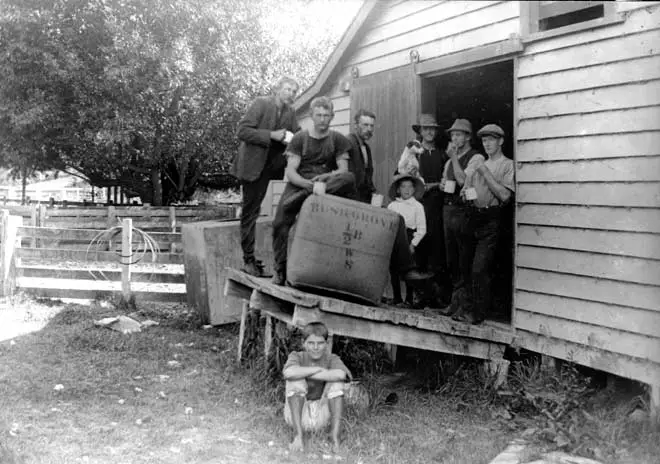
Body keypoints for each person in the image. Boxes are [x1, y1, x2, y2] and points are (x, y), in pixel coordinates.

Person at [272, 97, 431, 287]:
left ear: (332, 117)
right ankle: (280, 270)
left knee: (396, 219)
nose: (322, 119)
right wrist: (308, 185)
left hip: (328, 185)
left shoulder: (344, 141)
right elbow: (290, 171)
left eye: (371, 125)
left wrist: (374, 196)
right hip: (303, 185)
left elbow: (346, 172)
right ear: (312, 116)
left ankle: (406, 269)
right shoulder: (306, 138)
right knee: (280, 222)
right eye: (365, 125)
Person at [231, 76, 300, 277]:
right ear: (277, 89)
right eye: (287, 89)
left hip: (271, 169)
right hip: (252, 167)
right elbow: (242, 131)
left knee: (260, 212)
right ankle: (248, 260)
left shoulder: (290, 112)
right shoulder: (262, 103)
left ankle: (259, 261)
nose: (290, 94)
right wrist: (271, 135)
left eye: (294, 91)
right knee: (250, 212)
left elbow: (297, 133)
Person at [452, 124, 514, 324]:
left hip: (492, 219)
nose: (487, 144)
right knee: (466, 265)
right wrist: (466, 194)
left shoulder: (507, 165)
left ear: (501, 141)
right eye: (484, 140)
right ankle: (466, 308)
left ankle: (478, 314)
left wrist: (484, 171)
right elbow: (467, 187)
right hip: (473, 217)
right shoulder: (478, 162)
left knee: (480, 268)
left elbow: (505, 196)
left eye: (491, 140)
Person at [283, 322, 351, 452]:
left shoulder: (331, 358)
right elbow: (288, 373)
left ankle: (334, 436)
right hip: (298, 414)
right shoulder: (296, 356)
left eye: (320, 343)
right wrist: (317, 369)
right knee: (294, 380)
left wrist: (308, 373)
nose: (315, 347)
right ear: (303, 343)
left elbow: (341, 374)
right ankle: (298, 436)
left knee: (337, 382)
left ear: (326, 344)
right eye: (311, 343)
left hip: (321, 414)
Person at [438, 118, 482, 318]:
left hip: (463, 211)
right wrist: (442, 185)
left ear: (467, 137)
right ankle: (455, 304)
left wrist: (455, 158)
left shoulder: (475, 158)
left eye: (458, 134)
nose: (454, 138)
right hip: (448, 210)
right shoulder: (449, 160)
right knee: (451, 260)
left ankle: (466, 306)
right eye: (452, 135)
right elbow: (445, 181)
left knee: (465, 259)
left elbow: (464, 180)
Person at [412, 114, 451, 306]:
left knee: (437, 250)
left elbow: (447, 180)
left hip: (436, 207)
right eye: (425, 128)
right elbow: (403, 176)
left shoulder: (442, 154)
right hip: (418, 206)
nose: (429, 132)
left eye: (432, 129)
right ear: (419, 131)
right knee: (419, 248)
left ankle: (436, 296)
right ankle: (419, 296)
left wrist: (434, 185)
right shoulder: (413, 152)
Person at [387, 174, 426, 307]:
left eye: (410, 186)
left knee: (409, 270)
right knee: (394, 269)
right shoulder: (392, 205)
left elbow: (422, 229)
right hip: (395, 238)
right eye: (403, 186)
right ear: (398, 190)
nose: (406, 189)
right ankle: (397, 298)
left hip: (409, 238)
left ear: (414, 189)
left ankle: (409, 299)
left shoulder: (417, 206)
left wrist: (413, 244)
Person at [347, 109, 376, 204]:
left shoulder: (366, 147)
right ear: (355, 125)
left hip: (363, 199)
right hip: (350, 199)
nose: (369, 129)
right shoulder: (348, 143)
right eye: (365, 125)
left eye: (371, 126)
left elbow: (367, 177)